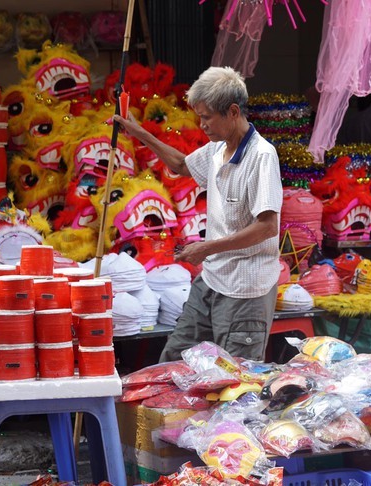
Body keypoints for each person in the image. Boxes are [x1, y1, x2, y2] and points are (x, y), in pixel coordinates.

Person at [113, 66, 282, 362]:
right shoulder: (219, 148)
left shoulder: (262, 157)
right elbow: (181, 165)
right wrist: (138, 132)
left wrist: (206, 248)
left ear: (232, 112)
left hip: (245, 290)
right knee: (175, 363)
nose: (202, 124)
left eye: (206, 117)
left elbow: (267, 227)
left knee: (234, 380)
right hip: (212, 280)